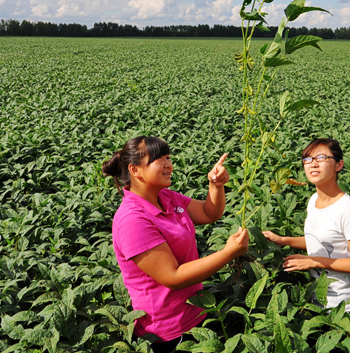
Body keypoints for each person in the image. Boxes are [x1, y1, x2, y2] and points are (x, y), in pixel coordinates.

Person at [102, 136, 249, 352]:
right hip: (167, 331)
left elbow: (209, 213)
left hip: (196, 311)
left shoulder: (167, 197)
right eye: (158, 159)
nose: (168, 164)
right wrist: (228, 253)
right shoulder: (132, 220)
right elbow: (172, 277)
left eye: (168, 157)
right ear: (135, 170)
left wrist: (216, 185)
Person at [262, 138, 350, 312]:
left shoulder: (348, 210)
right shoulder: (314, 201)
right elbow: (321, 241)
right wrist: (283, 240)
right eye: (308, 159)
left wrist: (313, 261)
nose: (313, 164)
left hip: (343, 307)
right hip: (316, 300)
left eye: (321, 158)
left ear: (338, 165)